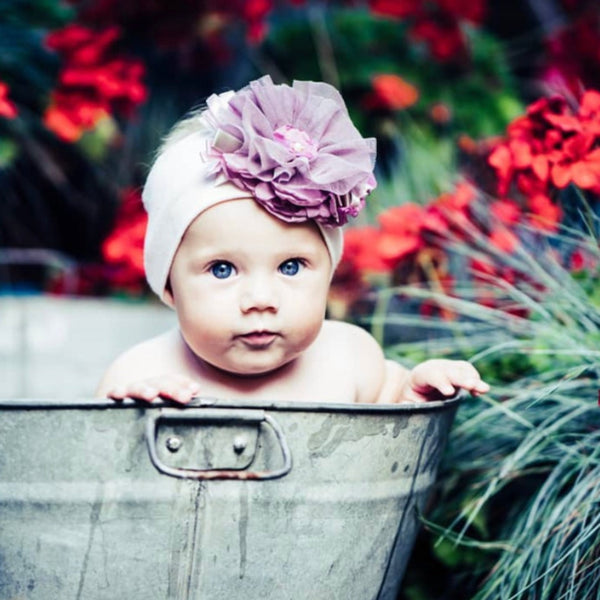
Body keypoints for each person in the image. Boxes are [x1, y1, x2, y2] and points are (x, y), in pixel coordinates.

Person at [96, 76, 489, 405]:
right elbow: (85, 463)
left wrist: (417, 390)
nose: (261, 300)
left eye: (291, 266)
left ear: (329, 273)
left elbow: (393, 425)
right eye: (222, 269)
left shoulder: (349, 357)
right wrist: (129, 419)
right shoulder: (142, 372)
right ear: (169, 286)